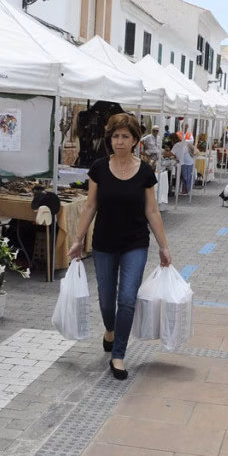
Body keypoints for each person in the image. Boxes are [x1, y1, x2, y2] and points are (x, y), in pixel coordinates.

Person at [69, 113, 172, 380]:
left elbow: (152, 211)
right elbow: (90, 205)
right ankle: (110, 330)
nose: (119, 141)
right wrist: (78, 239)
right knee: (105, 299)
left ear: (136, 140)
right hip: (103, 242)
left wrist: (164, 246)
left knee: (126, 299)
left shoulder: (146, 172)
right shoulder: (100, 168)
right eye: (115, 136)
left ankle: (118, 354)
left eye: (125, 136)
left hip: (135, 242)